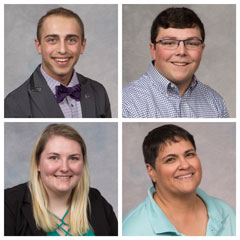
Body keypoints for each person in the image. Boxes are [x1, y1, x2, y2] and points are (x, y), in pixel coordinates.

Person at [5, 124, 117, 236]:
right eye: (54, 158)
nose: (64, 168)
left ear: (83, 163)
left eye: (73, 158)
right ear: (37, 163)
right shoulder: (8, 204)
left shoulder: (97, 201)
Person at [123, 124, 235, 236]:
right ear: (151, 171)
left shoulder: (226, 213)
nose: (185, 165)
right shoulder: (132, 231)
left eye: (189, 154)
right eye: (170, 159)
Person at [122, 7, 229, 118]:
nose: (181, 52)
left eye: (192, 43)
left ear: (202, 49)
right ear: (153, 50)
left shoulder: (216, 102)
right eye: (169, 43)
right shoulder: (127, 102)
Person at [5, 7, 111, 118]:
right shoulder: (14, 103)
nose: (62, 50)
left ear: (82, 46)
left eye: (71, 40)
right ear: (39, 46)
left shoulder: (98, 92)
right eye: (52, 40)